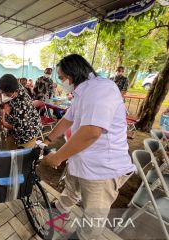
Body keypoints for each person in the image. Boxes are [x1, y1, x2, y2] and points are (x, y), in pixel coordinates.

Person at [43, 54, 135, 240]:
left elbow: (92, 131)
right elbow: (67, 119)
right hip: (80, 159)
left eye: (61, 78)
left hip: (101, 169)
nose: (61, 82)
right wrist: (48, 139)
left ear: (73, 73)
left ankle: (82, 237)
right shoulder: (81, 92)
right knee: (70, 192)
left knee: (94, 216)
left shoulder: (101, 89)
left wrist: (58, 156)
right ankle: (59, 216)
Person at [0, 74, 41, 149]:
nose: (4, 95)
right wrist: (6, 104)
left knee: (20, 158)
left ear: (13, 91)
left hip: (27, 134)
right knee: (10, 151)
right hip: (15, 128)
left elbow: (21, 128)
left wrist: (4, 121)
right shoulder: (15, 85)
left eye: (7, 94)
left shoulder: (22, 106)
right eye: (3, 93)